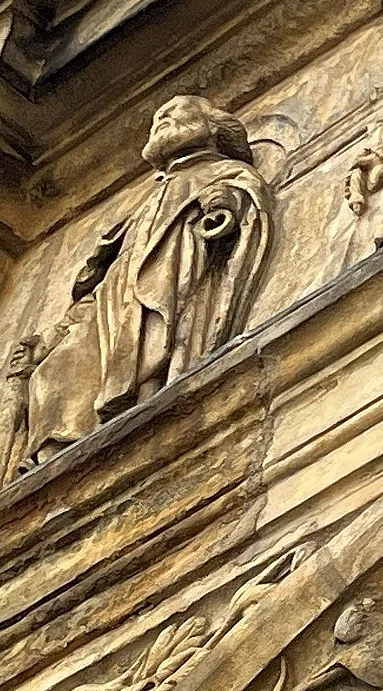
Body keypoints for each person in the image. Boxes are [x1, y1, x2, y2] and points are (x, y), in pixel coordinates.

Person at [16, 96, 276, 466]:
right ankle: (54, 456)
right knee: (55, 371)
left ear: (213, 128)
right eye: (157, 116)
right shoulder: (150, 196)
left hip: (167, 274)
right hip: (115, 294)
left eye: (176, 111)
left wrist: (224, 206)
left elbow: (244, 196)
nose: (162, 117)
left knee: (153, 337)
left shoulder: (224, 172)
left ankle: (146, 397)